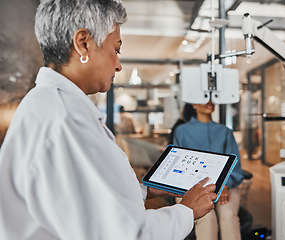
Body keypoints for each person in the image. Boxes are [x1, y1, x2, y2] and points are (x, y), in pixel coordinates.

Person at [0, 1, 217, 239]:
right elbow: (124, 234)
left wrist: (142, 190)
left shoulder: (49, 104)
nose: (118, 64)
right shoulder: (65, 120)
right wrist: (187, 210)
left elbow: (81, 201)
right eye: (116, 49)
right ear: (83, 43)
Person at [174, 100, 244, 240]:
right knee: (206, 217)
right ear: (193, 103)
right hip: (190, 187)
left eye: (212, 98)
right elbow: (177, 167)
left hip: (226, 186)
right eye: (203, 98)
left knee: (229, 215)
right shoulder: (182, 131)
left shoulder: (225, 131)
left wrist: (224, 184)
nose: (209, 102)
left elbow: (234, 166)